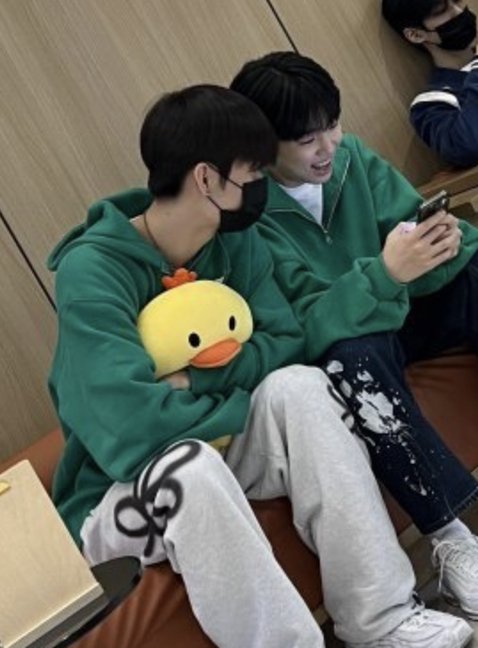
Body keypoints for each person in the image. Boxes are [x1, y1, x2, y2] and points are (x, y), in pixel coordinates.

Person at [46, 84, 472, 648]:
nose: (261, 187)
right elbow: (130, 427)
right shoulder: (93, 271)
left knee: (301, 386)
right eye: (252, 173)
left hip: (217, 434)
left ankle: (382, 619)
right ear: (207, 179)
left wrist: (198, 380)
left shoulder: (234, 242)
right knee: (191, 467)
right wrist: (240, 387)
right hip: (121, 488)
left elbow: (286, 343)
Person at [231, 50, 478, 624]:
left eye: (333, 125)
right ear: (264, 145)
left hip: (404, 313)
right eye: (307, 139)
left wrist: (442, 246)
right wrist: (386, 274)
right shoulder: (247, 218)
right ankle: (452, 539)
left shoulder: (354, 159)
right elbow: (303, 331)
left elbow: (421, 240)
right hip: (352, 352)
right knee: (351, 356)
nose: (329, 146)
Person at [382, 0, 478, 168]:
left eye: (457, 0)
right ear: (416, 34)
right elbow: (469, 146)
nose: (459, 11)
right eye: (441, 11)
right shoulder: (431, 104)